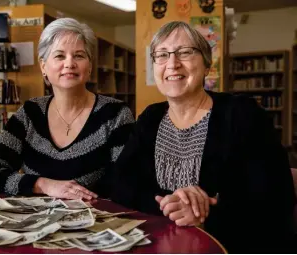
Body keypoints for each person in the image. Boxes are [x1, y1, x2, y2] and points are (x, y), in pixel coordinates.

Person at [110, 21, 296, 253]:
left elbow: (275, 196)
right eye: (162, 55)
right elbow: (120, 183)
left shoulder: (242, 114)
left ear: (207, 65)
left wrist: (205, 215)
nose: (172, 64)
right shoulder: (151, 117)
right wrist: (173, 205)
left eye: (185, 52)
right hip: (162, 242)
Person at [0, 18, 134, 201]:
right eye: (59, 56)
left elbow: (129, 182)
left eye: (79, 56)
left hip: (97, 220)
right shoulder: (29, 114)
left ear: (90, 66)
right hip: (36, 223)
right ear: (43, 66)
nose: (69, 64)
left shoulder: (116, 115)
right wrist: (42, 185)